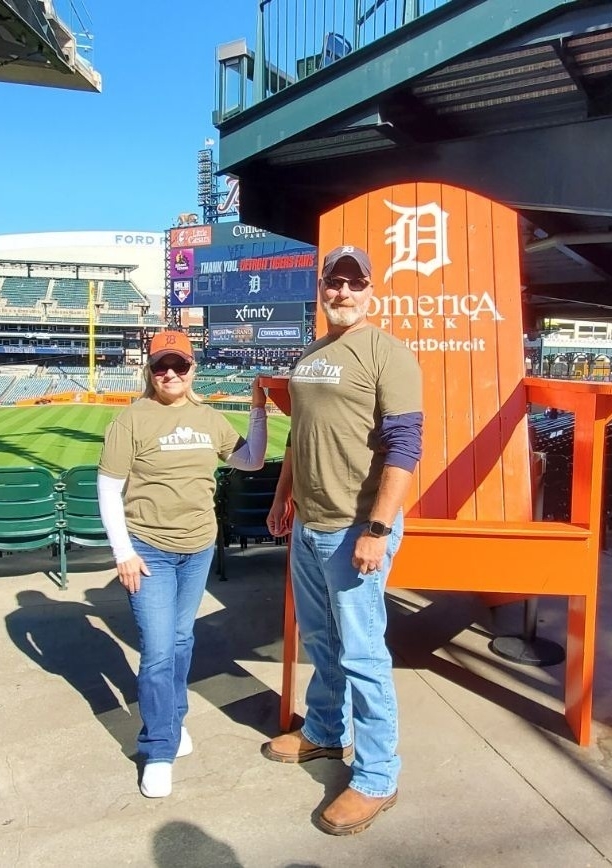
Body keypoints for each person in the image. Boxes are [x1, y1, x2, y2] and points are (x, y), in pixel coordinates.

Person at [264, 245, 423, 836]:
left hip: (356, 526)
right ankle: (326, 732)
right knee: (322, 639)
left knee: (363, 654)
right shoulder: (310, 354)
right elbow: (298, 434)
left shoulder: (388, 353)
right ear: (322, 287)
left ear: (371, 290)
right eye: (335, 281)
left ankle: (378, 776)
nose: (344, 292)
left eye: (355, 283)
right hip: (310, 525)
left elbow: (406, 447)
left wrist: (377, 529)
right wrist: (283, 494)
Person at [97, 331, 268, 799]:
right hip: (148, 549)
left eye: (179, 365)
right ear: (149, 371)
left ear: (193, 369)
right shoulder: (131, 420)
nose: (170, 373)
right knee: (157, 650)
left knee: (180, 639)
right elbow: (108, 487)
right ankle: (158, 748)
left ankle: (173, 720)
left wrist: (258, 408)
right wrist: (123, 553)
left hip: (197, 547)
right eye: (161, 366)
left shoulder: (208, 418)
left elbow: (251, 460)